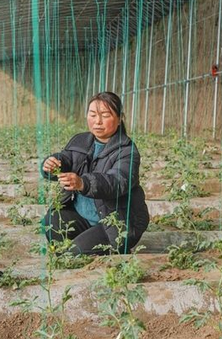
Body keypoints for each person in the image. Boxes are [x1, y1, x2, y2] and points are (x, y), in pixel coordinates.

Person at [40, 91, 150, 255]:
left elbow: (117, 181)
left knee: (74, 253)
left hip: (115, 224)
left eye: (105, 115)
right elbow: (66, 158)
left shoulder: (127, 151)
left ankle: (88, 247)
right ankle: (80, 244)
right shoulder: (81, 141)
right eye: (92, 115)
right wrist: (51, 163)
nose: (98, 121)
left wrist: (83, 183)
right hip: (83, 218)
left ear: (119, 119)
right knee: (51, 221)